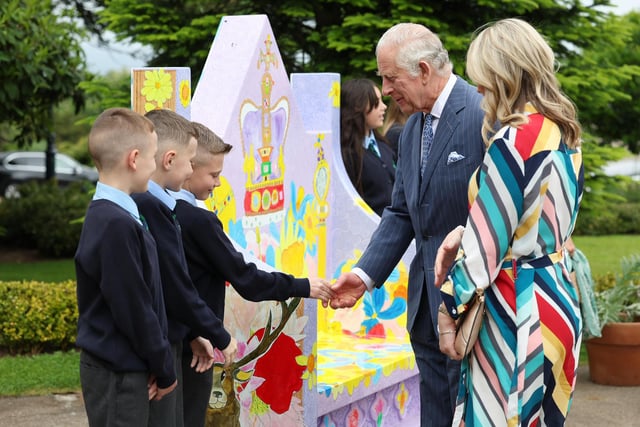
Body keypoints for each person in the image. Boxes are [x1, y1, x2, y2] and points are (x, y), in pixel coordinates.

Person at [330, 23, 486, 427]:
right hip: (425, 311)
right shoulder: (414, 124)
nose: (383, 90)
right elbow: (402, 211)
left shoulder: (483, 113)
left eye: (389, 77)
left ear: (422, 70)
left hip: (473, 310)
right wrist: (365, 276)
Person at [433, 18, 584, 426]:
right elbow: (540, 223)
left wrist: (447, 309)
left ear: (503, 74)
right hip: (557, 303)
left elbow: (484, 250)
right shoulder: (565, 136)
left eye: (482, 76)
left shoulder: (515, 140)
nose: (477, 87)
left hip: (515, 313)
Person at [171, 122, 335, 427]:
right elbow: (245, 277)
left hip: (179, 337)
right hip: (194, 346)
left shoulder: (158, 210)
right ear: (188, 166)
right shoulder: (198, 221)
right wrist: (302, 286)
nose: (218, 183)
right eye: (214, 175)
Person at [132, 109, 238, 427]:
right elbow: (171, 286)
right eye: (191, 163)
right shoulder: (149, 207)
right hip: (156, 348)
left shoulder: (159, 205)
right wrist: (219, 335)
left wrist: (195, 333)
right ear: (169, 159)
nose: (192, 170)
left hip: (171, 341)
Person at [75, 108, 177, 426]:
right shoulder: (114, 223)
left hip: (128, 365)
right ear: (134, 159)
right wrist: (163, 367)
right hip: (117, 370)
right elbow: (133, 306)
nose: (154, 164)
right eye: (152, 156)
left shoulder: (119, 215)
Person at [340, 78, 396, 216]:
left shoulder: (385, 147)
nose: (384, 107)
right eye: (376, 103)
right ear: (357, 107)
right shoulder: (345, 155)